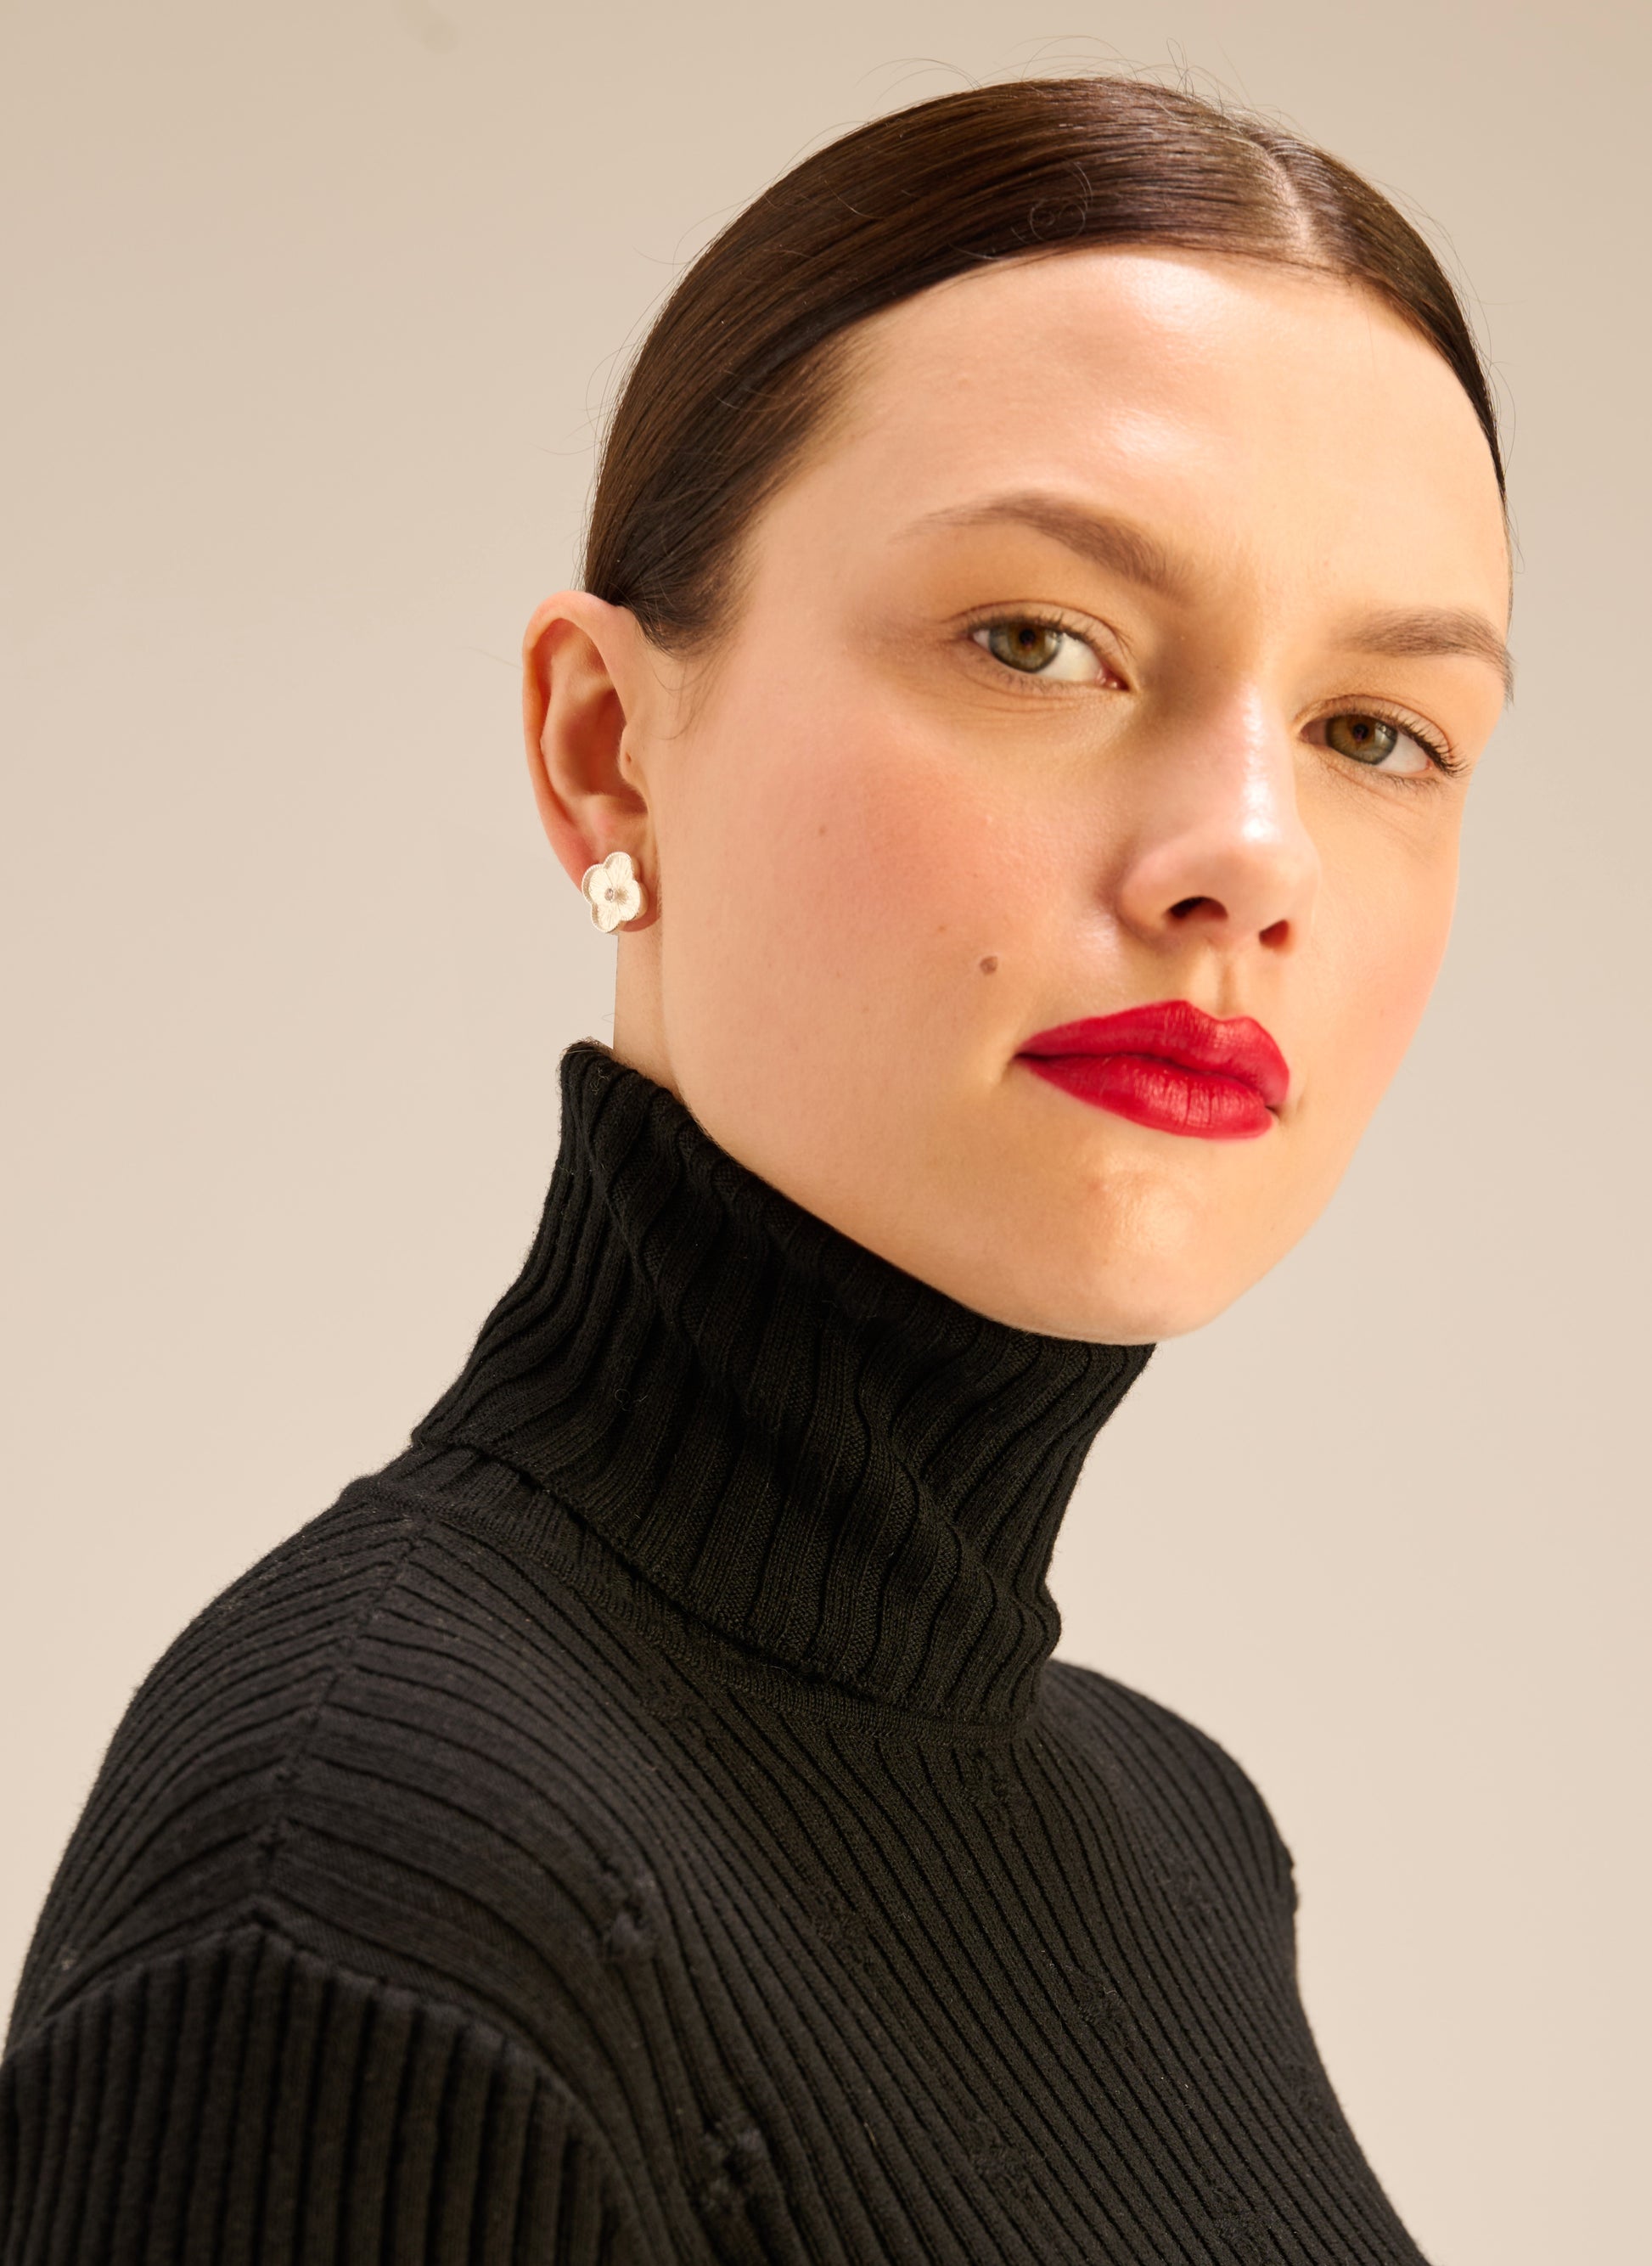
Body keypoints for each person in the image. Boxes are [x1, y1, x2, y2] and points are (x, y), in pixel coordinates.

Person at [0, 75, 1509, 2265]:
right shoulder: (360, 1896)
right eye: (1040, 642)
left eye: (1378, 733)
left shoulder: (1184, 1841)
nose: (1248, 861)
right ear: (606, 747)